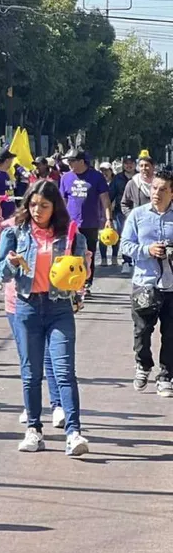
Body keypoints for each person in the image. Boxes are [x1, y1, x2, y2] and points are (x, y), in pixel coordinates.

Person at [0, 180, 91, 456]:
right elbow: (0, 272)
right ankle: (34, 430)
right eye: (33, 204)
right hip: (26, 307)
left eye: (44, 205)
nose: (37, 210)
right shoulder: (15, 233)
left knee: (64, 371)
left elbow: (82, 273)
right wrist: (11, 264)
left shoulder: (71, 235)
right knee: (31, 373)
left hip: (58, 308)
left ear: (55, 207)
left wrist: (78, 278)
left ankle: (73, 432)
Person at [121, 166, 173, 398]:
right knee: (142, 332)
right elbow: (125, 246)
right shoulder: (138, 215)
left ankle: (166, 375)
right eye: (154, 188)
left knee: (171, 334)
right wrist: (147, 250)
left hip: (171, 285)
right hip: (145, 283)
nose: (156, 193)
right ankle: (143, 365)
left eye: (163, 189)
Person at [59, 150, 110, 297]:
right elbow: (62, 201)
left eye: (72, 161)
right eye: (68, 162)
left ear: (82, 161)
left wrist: (108, 219)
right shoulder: (65, 178)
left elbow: (105, 199)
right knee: (69, 254)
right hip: (70, 225)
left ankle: (86, 283)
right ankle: (70, 283)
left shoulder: (96, 177)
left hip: (90, 223)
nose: (69, 164)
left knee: (88, 255)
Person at [121, 153, 155, 220]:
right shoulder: (132, 183)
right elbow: (124, 204)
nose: (144, 168)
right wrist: (133, 217)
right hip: (139, 223)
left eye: (146, 165)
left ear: (153, 166)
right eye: (141, 166)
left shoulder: (160, 183)